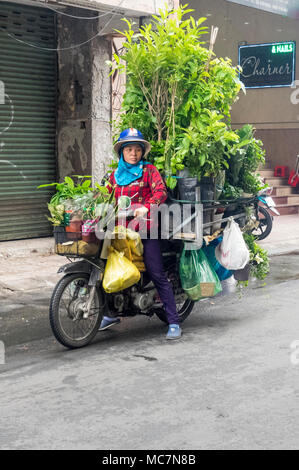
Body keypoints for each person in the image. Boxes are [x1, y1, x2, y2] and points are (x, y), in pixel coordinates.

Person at [99, 128, 182, 340]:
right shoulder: (115, 176)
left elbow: (160, 192)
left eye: (137, 150)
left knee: (156, 272)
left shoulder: (149, 170)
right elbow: (103, 197)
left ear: (142, 152)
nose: (133, 154)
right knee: (111, 268)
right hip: (119, 230)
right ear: (122, 153)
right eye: (129, 150)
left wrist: (147, 206)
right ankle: (111, 313)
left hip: (146, 229)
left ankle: (173, 321)